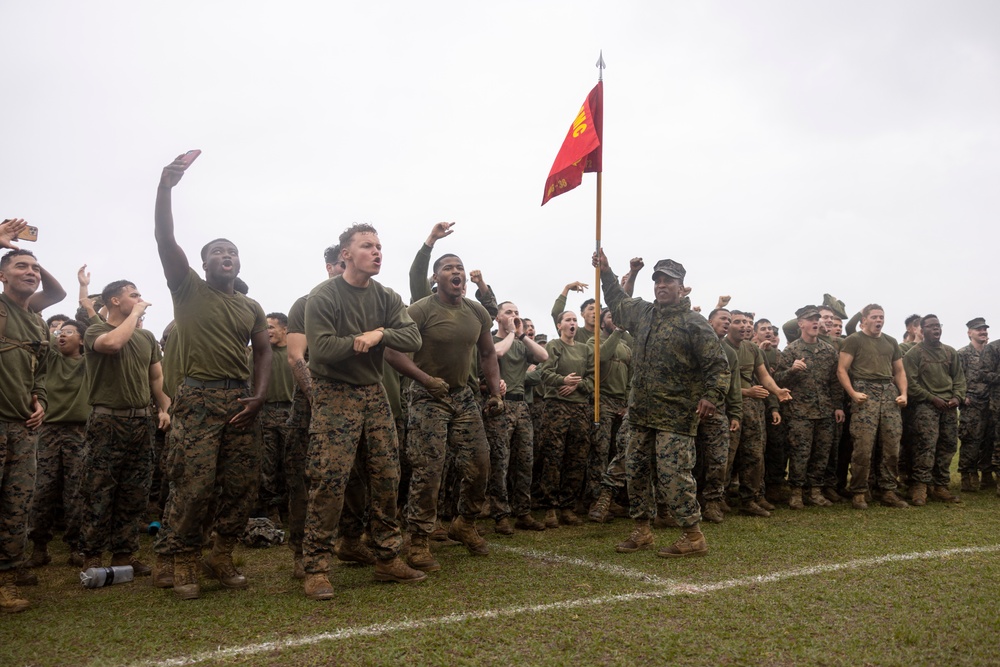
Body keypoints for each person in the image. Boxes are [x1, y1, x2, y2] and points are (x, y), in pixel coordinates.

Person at [151, 153, 272, 600]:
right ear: (203, 265)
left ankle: (220, 554)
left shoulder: (250, 305)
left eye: (232, 252)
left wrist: (258, 396)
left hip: (240, 403)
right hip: (199, 400)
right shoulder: (187, 288)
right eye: (217, 252)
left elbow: (263, 351)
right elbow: (165, 239)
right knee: (193, 485)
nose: (227, 256)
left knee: (241, 486)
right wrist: (165, 187)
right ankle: (181, 558)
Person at [301, 223, 426, 600]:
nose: (376, 252)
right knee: (330, 478)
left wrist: (379, 334)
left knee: (388, 474)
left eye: (379, 246)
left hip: (373, 393)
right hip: (333, 392)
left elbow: (413, 338)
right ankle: (316, 567)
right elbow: (320, 351)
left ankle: (388, 557)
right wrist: (361, 342)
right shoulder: (323, 296)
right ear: (346, 255)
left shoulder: (386, 296)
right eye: (367, 246)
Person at [594, 250, 729, 558]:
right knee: (636, 472)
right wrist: (606, 271)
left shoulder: (695, 324)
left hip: (676, 417)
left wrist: (711, 396)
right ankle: (641, 531)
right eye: (658, 281)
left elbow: (718, 366)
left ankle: (692, 535)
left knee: (674, 476)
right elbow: (616, 301)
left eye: (668, 281)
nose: (661, 286)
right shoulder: (643, 314)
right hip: (640, 413)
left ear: (682, 287)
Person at [385, 252, 504, 572]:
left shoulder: (477, 312)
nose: (456, 272)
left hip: (463, 397)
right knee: (429, 469)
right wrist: (425, 380)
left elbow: (488, 353)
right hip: (426, 397)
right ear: (435, 278)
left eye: (460, 268)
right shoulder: (420, 310)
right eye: (448, 268)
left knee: (481, 462)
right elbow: (393, 353)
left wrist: (494, 392)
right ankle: (419, 541)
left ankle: (465, 523)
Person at [78, 281, 171, 575]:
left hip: (141, 421)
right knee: (99, 488)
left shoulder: (146, 337)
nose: (141, 299)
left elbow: (156, 377)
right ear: (115, 301)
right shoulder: (96, 331)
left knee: (135, 490)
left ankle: (124, 553)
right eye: (134, 295)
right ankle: (91, 555)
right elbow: (113, 343)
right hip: (108, 420)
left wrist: (165, 408)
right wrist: (135, 315)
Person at [0, 248, 48, 613]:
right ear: (2, 275)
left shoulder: (35, 320)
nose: (31, 272)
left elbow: (40, 372)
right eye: (21, 266)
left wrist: (40, 399)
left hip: (22, 427)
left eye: (35, 267)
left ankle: (7, 579)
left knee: (17, 507)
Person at [26, 318, 90, 571]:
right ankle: (39, 548)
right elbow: (40, 329)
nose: (62, 335)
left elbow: (96, 333)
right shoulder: (51, 359)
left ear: (82, 340)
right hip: (48, 431)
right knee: (42, 490)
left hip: (79, 432)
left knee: (76, 491)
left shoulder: (89, 363)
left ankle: (76, 547)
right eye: (59, 332)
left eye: (69, 332)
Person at [773, 306, 845, 509]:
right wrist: (792, 370)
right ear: (801, 324)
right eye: (811, 320)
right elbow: (777, 379)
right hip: (799, 412)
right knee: (799, 453)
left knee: (821, 453)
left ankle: (815, 491)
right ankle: (796, 492)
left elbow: (835, 381)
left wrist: (838, 406)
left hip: (825, 411)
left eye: (817, 319)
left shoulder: (828, 350)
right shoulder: (792, 350)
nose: (815, 323)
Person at [837, 304, 908, 510]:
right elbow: (842, 370)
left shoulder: (891, 342)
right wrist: (852, 393)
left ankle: (887, 490)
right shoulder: (854, 340)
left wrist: (903, 393)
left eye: (882, 317)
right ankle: (859, 491)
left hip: (889, 394)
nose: (879, 320)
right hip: (864, 392)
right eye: (875, 317)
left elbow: (900, 371)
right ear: (864, 319)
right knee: (863, 447)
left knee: (892, 446)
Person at [486, 301, 548, 534]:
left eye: (517, 313)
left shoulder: (520, 343)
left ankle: (523, 512)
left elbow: (543, 355)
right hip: (500, 406)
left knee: (525, 461)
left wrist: (521, 334)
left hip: (521, 406)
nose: (514, 315)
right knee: (500, 462)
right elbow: (498, 352)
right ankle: (500, 515)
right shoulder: (492, 341)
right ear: (498, 318)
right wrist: (512, 333)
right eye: (509, 312)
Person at [723, 310, 791, 517]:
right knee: (726, 456)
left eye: (746, 322)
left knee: (754, 455)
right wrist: (746, 391)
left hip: (753, 410)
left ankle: (749, 499)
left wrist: (777, 391)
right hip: (728, 408)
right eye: (738, 322)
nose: (744, 325)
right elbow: (718, 382)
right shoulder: (719, 347)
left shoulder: (752, 348)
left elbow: (763, 376)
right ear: (729, 326)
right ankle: (717, 499)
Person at [536, 310, 595, 528]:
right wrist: (563, 380)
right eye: (568, 320)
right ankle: (550, 507)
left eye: (574, 320)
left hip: (580, 408)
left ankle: (567, 507)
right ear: (559, 325)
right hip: (556, 407)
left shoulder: (584, 349)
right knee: (553, 455)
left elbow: (592, 379)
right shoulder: (554, 346)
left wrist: (577, 384)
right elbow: (545, 373)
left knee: (577, 457)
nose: (572, 323)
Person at [903, 315, 965, 505]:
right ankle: (920, 487)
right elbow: (910, 384)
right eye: (931, 327)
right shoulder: (914, 354)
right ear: (922, 330)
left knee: (948, 445)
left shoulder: (950, 352)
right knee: (925, 445)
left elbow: (959, 379)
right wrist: (931, 398)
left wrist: (957, 397)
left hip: (948, 406)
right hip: (925, 406)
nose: (936, 330)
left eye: (938, 326)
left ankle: (940, 486)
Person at [257, 312, 294, 527]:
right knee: (267, 466)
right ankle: (270, 510)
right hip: (266, 414)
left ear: (284, 329)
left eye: (271, 327)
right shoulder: (260, 354)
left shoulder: (297, 353)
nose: (267, 331)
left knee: (291, 465)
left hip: (291, 414)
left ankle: (289, 509)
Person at [957, 318, 992, 492]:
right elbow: (956, 378)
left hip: (990, 403)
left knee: (989, 440)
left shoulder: (992, 352)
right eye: (979, 329)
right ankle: (967, 475)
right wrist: (962, 396)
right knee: (970, 440)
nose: (983, 332)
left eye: (985, 329)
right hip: (971, 403)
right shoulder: (962, 354)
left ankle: (986, 475)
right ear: (970, 332)